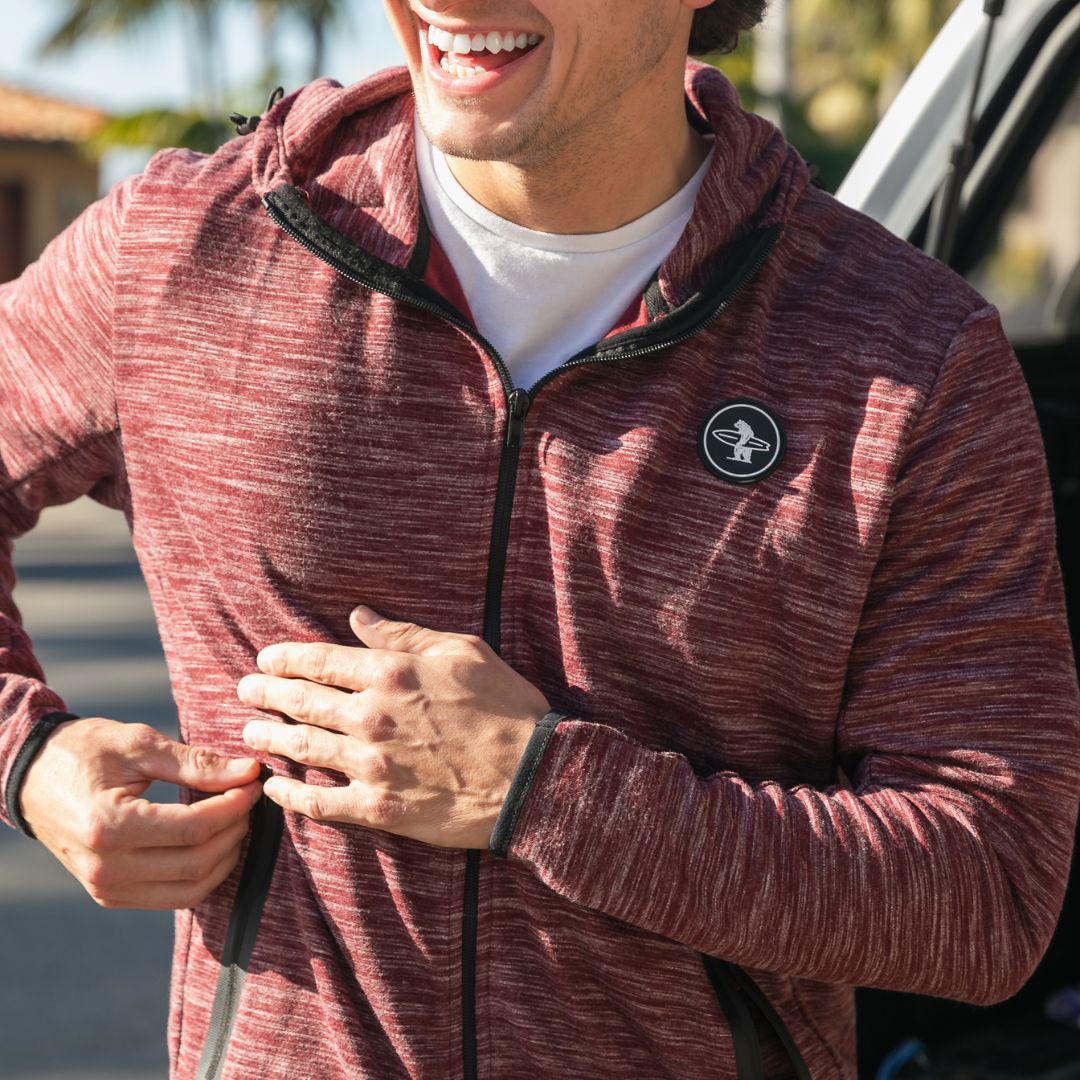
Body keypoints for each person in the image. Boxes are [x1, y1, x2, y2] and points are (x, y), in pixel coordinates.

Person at [2, 1, 1078, 1076]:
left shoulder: (908, 357)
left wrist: (545, 792)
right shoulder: (187, 251)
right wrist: (27, 760)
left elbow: (993, 892)